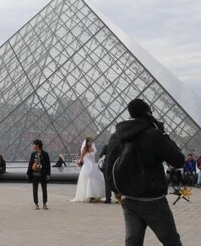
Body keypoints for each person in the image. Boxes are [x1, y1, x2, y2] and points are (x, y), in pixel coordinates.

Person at [105, 98, 184, 246]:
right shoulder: (153, 134)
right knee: (171, 240)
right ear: (147, 113)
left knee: (133, 242)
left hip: (127, 197)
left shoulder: (117, 135)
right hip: (152, 199)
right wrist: (163, 133)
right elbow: (179, 160)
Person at [71, 137, 105, 202]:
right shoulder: (84, 149)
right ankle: (90, 197)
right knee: (89, 181)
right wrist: (85, 164)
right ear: (86, 142)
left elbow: (93, 158)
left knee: (96, 179)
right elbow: (81, 158)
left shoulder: (92, 148)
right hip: (87, 166)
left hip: (93, 165)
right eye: (89, 142)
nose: (91, 143)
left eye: (91, 142)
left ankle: (95, 196)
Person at [27, 139, 50, 210]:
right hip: (34, 175)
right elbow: (30, 164)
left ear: (37, 145)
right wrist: (28, 173)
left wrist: (48, 174)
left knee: (44, 190)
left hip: (43, 174)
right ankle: (36, 204)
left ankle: (44, 204)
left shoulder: (45, 154)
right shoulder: (33, 154)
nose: (33, 146)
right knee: (35, 190)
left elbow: (48, 165)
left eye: (34, 145)